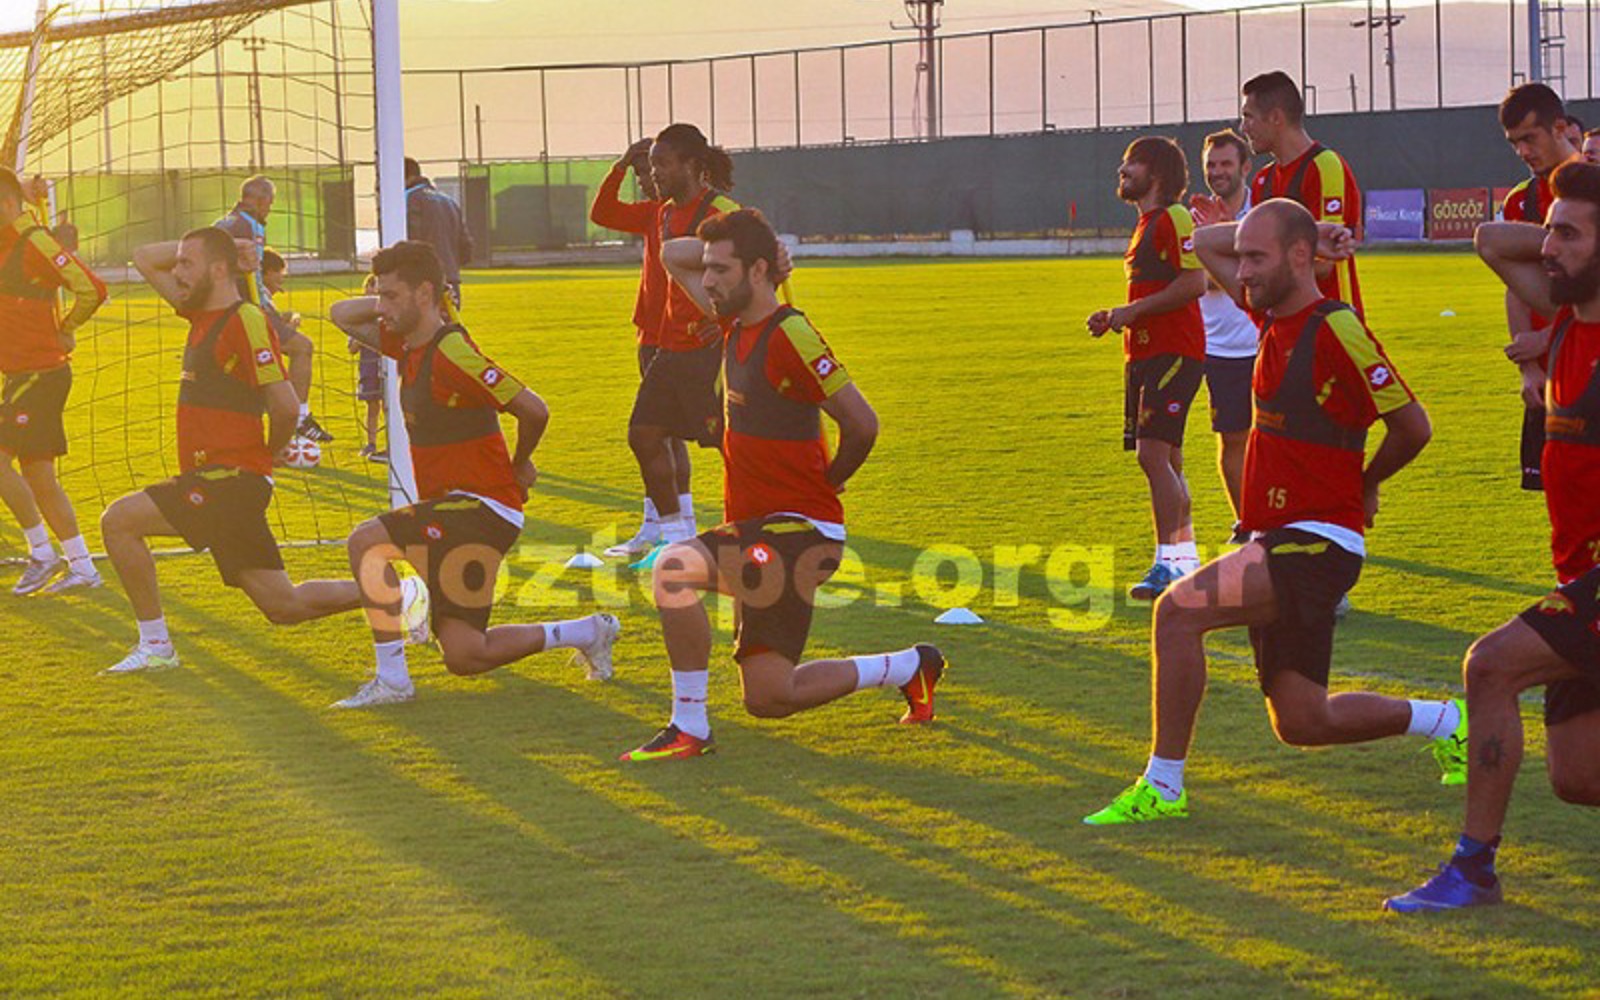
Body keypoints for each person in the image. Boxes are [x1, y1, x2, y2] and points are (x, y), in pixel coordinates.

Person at [1082, 199, 1465, 826]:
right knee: (1303, 721)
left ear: (1298, 257)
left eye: (1257, 258)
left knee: (1177, 612)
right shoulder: (1269, 316)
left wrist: (1367, 483)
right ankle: (1446, 721)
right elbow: (1210, 241)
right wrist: (1284, 234)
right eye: (1244, 258)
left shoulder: (1335, 326)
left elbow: (1413, 425)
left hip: (1316, 540)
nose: (1242, 271)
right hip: (1278, 537)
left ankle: (1163, 786)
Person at [620, 208, 943, 761]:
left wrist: (827, 486)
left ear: (757, 271)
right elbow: (672, 255)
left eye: (722, 269)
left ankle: (688, 728)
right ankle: (911, 665)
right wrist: (757, 256)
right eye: (709, 269)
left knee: (672, 570)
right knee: (769, 697)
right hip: (759, 531)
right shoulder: (732, 323)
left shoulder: (789, 332)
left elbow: (862, 424)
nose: (709, 280)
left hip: (797, 531)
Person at [1386, 161, 1600, 912]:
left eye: (1568, 235)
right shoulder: (1569, 318)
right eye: (1549, 231)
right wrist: (1565, 216)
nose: (1548, 248)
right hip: (1576, 574)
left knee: (1490, 667)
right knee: (1578, 776)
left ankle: (1473, 868)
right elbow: (1489, 240)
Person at [106, 228, 412, 674]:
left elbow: (284, 406)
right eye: (180, 262)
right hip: (224, 481)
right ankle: (401, 593)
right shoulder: (197, 310)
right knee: (284, 605)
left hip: (228, 481)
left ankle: (156, 646)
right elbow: (144, 254)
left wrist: (272, 451)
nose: (177, 271)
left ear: (218, 271)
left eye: (187, 263)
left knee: (119, 521)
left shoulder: (244, 320)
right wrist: (230, 245)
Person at [330, 241, 619, 708]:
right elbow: (340, 313)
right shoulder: (408, 343)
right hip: (454, 511)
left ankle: (393, 680)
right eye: (379, 295)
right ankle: (588, 632)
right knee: (465, 654)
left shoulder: (452, 353)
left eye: (391, 295)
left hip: (483, 508)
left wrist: (519, 464)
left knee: (366, 542)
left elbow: (534, 409)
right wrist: (396, 304)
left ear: (425, 293)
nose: (380, 307)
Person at [1086, 136, 1206, 600]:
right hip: (1145, 353)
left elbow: (1195, 282)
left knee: (1151, 456)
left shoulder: (1174, 217)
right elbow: (1153, 293)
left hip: (1173, 353)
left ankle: (1167, 564)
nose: (1122, 170)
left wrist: (1132, 313)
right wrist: (1117, 317)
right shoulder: (1146, 225)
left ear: (1156, 172)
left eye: (1132, 163)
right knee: (1169, 460)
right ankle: (1186, 563)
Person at [624, 123, 741, 565]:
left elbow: (756, 268)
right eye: (652, 164)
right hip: (671, 347)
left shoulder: (723, 213)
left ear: (692, 164)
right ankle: (676, 541)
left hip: (709, 353)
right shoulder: (665, 213)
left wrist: (726, 319)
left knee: (732, 445)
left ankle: (754, 527)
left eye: (663, 164)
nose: (654, 173)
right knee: (644, 435)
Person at [0, 168, 109, 595]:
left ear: (7, 205)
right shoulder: (8, 240)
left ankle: (42, 554)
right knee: (40, 476)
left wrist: (67, 326)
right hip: (24, 375)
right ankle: (83, 567)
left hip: (40, 375)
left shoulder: (35, 241)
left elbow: (92, 289)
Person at [589, 136, 693, 558]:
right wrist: (618, 167)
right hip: (650, 336)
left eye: (652, 170)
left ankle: (673, 530)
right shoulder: (653, 213)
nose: (647, 179)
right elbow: (601, 213)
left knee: (658, 433)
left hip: (680, 338)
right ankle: (668, 526)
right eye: (641, 173)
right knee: (663, 434)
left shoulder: (688, 212)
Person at [1498, 84, 1579, 493]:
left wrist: (1548, 336)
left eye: (1530, 138)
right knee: (1557, 496)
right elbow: (1514, 286)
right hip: (1546, 373)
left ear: (1559, 128)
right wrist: (1528, 367)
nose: (1523, 151)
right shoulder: (1522, 200)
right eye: (1515, 143)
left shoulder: (1589, 190)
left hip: (1586, 364)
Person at [215, 175, 332, 444]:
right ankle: (299, 418)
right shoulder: (245, 226)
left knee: (254, 373)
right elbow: (244, 271)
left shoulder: (228, 222)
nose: (270, 208)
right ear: (260, 200)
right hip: (245, 311)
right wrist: (260, 306)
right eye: (270, 202)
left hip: (233, 310)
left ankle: (266, 433)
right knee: (302, 347)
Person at [1239, 71, 1364, 318]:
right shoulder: (1262, 180)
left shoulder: (1324, 166)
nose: (1243, 127)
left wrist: (1262, 274)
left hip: (1329, 321)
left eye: (1248, 117)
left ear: (1276, 117)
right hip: (1284, 321)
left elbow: (1326, 263)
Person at [1190, 129, 1258, 545]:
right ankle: (1246, 522)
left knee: (1278, 436)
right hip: (1219, 348)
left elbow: (1265, 272)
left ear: (1245, 166)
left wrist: (1221, 244)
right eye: (1211, 165)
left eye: (1226, 163)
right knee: (1233, 437)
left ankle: (1288, 519)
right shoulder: (1193, 218)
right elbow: (1200, 281)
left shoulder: (1263, 212)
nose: (1217, 172)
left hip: (1266, 340)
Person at [403, 157, 472, 307]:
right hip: (451, 280)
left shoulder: (407, 199)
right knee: (449, 322)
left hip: (422, 282)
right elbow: (466, 248)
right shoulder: (449, 201)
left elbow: (411, 241)